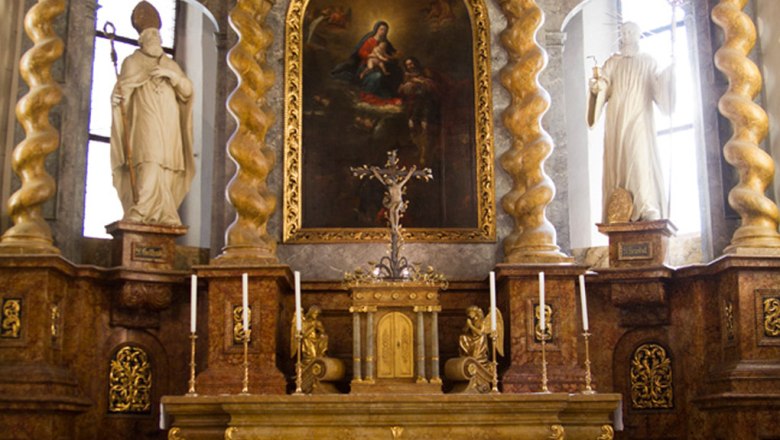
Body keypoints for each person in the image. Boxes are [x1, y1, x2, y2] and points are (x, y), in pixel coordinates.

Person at [110, 1, 195, 225]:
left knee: (167, 169)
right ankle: (142, 209)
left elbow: (187, 91)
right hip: (146, 123)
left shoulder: (170, 64)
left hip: (169, 125)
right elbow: (123, 92)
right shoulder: (132, 62)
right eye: (151, 35)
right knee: (149, 162)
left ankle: (166, 213)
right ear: (142, 40)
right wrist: (118, 99)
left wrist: (173, 76)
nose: (157, 38)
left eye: (158, 35)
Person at [587, 22, 674, 223]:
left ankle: (646, 206)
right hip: (616, 119)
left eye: (630, 32)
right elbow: (604, 87)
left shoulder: (648, 61)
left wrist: (669, 75)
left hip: (639, 116)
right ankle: (621, 208)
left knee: (640, 158)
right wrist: (597, 85)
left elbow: (658, 89)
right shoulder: (612, 63)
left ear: (638, 35)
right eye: (623, 32)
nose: (626, 35)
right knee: (621, 160)